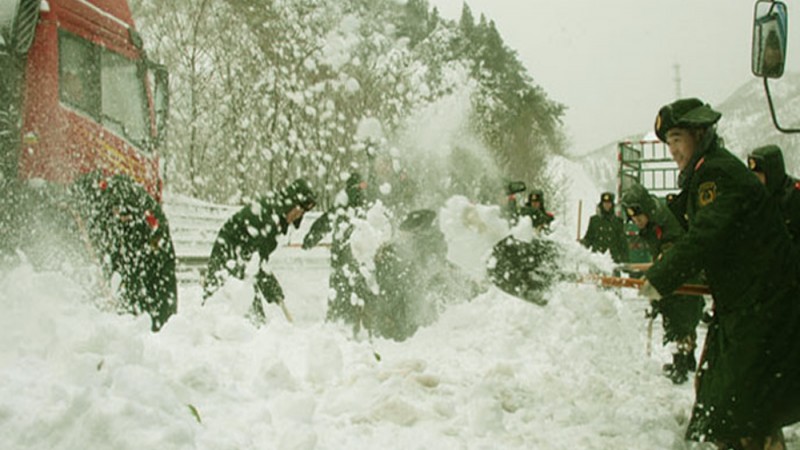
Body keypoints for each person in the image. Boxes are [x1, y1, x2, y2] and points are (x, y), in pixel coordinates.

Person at [641, 97, 800, 449]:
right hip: (746, 307)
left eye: (677, 140)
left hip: (763, 309)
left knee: (736, 409)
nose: (673, 151)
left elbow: (706, 235)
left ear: (700, 134)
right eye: (669, 143)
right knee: (727, 402)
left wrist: (660, 279)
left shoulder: (717, 175)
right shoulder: (707, 173)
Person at [621, 183, 704, 384]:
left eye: (638, 217)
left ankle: (681, 365)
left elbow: (670, 256)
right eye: (632, 218)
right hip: (677, 272)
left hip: (682, 274)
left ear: (646, 210)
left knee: (679, 318)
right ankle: (687, 360)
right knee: (678, 315)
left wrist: (653, 284)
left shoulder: (663, 223)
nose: (636, 221)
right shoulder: (654, 219)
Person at [203, 178, 316, 322]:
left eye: (303, 213)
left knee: (244, 305)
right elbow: (258, 261)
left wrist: (273, 291)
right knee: (222, 298)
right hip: (230, 249)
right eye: (298, 210)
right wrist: (274, 292)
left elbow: (259, 260)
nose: (299, 215)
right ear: (291, 202)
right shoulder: (272, 217)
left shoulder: (277, 214)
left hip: (242, 252)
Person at [303, 173, 374, 333]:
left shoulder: (343, 205)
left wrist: (310, 239)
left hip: (342, 258)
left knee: (339, 294)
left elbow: (324, 222)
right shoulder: (366, 205)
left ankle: (335, 327)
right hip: (359, 259)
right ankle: (360, 328)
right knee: (359, 293)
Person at [748, 144, 800, 245]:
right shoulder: (757, 199)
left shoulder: (795, 197)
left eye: (759, 177)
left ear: (772, 174)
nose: (756, 181)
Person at [580, 192, 628, 263]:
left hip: (613, 260)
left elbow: (622, 243)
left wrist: (625, 260)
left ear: (612, 205)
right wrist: (581, 246)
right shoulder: (594, 220)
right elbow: (589, 238)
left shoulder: (618, 222)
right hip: (597, 260)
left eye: (609, 203)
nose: (607, 205)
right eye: (605, 203)